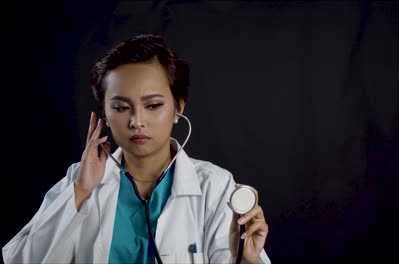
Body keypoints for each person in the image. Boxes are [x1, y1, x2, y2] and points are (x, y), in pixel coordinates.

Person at [2, 33, 270, 264]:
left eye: (153, 105)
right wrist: (80, 192)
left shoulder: (216, 187)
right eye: (121, 107)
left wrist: (248, 261)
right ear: (104, 114)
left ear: (179, 107)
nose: (136, 121)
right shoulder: (80, 180)